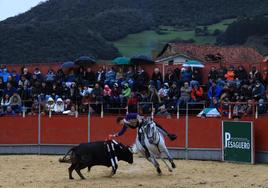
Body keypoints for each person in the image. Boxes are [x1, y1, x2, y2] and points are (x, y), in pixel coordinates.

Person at [110, 113, 177, 157]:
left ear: (121, 120)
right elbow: (122, 132)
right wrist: (114, 135)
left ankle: (169, 136)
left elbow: (136, 115)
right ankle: (147, 151)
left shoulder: (128, 116)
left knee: (157, 126)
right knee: (139, 138)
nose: (121, 124)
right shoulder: (126, 124)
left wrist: (139, 120)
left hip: (144, 122)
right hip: (140, 127)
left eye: (120, 123)